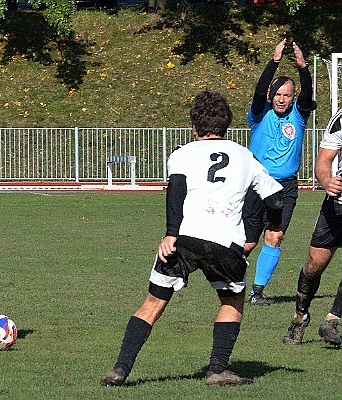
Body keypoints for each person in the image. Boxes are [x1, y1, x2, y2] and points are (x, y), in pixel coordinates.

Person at [101, 90, 284, 388]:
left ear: (194, 126)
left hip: (185, 239)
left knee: (152, 303)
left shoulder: (183, 153)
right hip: (224, 243)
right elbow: (275, 199)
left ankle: (120, 369)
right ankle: (217, 370)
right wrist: (272, 227)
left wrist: (171, 233)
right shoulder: (244, 155)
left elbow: (176, 191)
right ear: (226, 125)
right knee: (233, 298)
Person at [242, 38, 317, 305]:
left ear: (293, 98)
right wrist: (274, 63)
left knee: (275, 235)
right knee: (248, 243)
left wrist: (303, 68)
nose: (282, 99)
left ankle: (257, 292)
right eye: (278, 94)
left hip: (285, 186)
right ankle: (229, 280)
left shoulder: (298, 115)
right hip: (257, 184)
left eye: (287, 95)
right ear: (270, 96)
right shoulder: (259, 115)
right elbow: (260, 89)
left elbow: (308, 95)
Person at [283, 107, 342, 346]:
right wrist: (327, 180)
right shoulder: (340, 119)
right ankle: (300, 316)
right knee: (314, 265)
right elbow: (323, 161)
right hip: (336, 206)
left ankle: (332, 320)